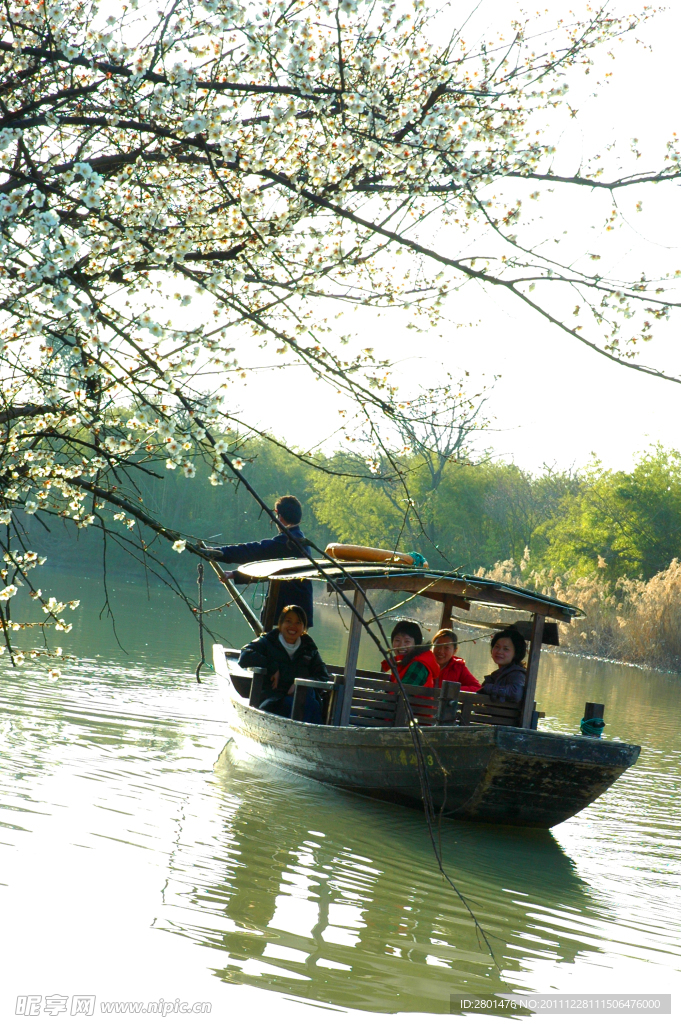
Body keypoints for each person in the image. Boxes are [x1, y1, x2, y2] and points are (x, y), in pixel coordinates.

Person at [201, 494, 314, 626]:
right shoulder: (300, 539)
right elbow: (274, 571)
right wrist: (235, 574)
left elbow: (254, 551)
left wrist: (218, 553)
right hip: (300, 614)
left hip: (287, 615)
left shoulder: (287, 541)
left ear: (279, 516)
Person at [238, 604, 330, 723]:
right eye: (288, 621)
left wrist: (300, 685)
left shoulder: (309, 649)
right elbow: (245, 655)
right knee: (301, 706)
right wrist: (272, 667)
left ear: (304, 627)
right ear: (280, 624)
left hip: (304, 700)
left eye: (298, 622)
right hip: (273, 700)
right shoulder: (268, 642)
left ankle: (308, 735)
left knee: (308, 702)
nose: (293, 626)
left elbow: (322, 676)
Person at [380, 620, 440, 688]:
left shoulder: (418, 665)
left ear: (416, 644)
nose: (401, 645)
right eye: (397, 640)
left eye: (407, 641)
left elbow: (402, 694)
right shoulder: (402, 662)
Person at [478, 627, 527, 703]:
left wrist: (488, 688)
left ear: (516, 653)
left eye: (506, 649)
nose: (499, 652)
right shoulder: (498, 674)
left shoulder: (517, 674)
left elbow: (515, 693)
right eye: (497, 647)